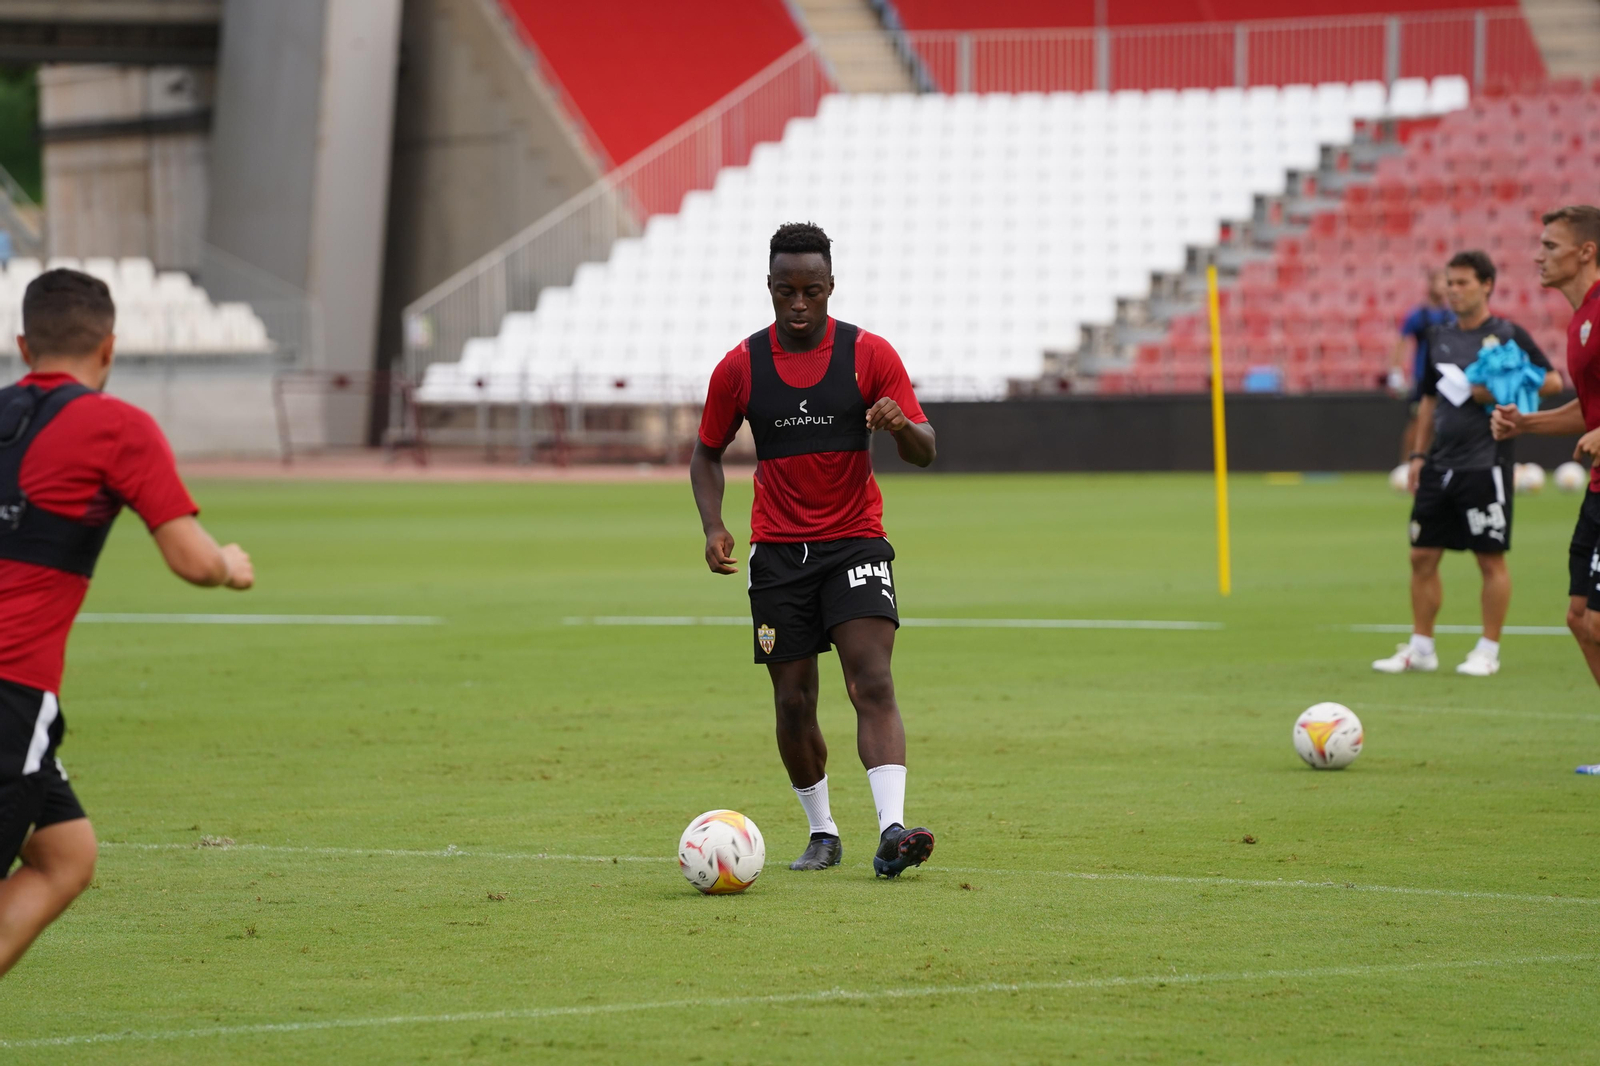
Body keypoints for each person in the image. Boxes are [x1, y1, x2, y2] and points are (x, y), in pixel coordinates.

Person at [0, 269, 254, 979]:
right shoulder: (116, 427)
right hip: (9, 692)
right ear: (109, 348)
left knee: (65, 854)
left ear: (24, 347)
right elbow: (192, 561)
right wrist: (229, 566)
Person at [690, 222, 937, 877]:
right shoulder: (740, 366)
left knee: (871, 680)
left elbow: (926, 450)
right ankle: (823, 832)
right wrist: (713, 525)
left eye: (812, 290)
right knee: (794, 701)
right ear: (770, 287)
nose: (799, 303)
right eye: (786, 291)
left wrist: (901, 425)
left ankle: (892, 831)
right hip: (777, 555)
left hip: (855, 541)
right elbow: (705, 454)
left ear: (831, 286)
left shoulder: (869, 355)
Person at [1373, 250, 1559, 677]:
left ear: (1486, 285)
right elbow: (1429, 400)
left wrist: (1497, 388)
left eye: (1462, 283)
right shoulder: (1438, 336)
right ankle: (1421, 648)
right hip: (1440, 464)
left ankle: (1487, 651)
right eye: (1450, 283)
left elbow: (1551, 380)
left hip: (1486, 462)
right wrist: (1418, 455)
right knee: (1421, 555)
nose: (1453, 291)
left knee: (1489, 559)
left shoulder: (1508, 334)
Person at [1491, 206, 1600, 769]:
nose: (1539, 256)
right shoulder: (1580, 321)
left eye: (1551, 246)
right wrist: (1526, 423)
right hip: (1597, 491)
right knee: (1580, 619)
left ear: (1586, 251)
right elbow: (1588, 410)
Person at [1391, 269, 1454, 464]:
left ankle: (1427, 464)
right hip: (1422, 377)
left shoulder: (1451, 315)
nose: (1444, 286)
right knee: (1417, 422)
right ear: (1431, 285)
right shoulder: (1417, 315)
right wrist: (1396, 372)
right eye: (1440, 282)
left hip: (1446, 377)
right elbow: (1401, 343)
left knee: (1441, 424)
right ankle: (1405, 465)